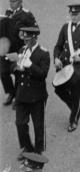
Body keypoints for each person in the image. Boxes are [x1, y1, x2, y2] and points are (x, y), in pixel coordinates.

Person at [53, 3, 80, 132]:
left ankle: (74, 120)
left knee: (77, 95)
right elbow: (58, 46)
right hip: (65, 66)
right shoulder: (65, 27)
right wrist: (56, 58)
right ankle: (75, 108)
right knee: (58, 88)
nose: (73, 17)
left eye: (76, 14)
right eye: (72, 14)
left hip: (78, 69)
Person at [12, 25, 49, 156]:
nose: (25, 42)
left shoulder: (43, 53)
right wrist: (16, 67)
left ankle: (38, 152)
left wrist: (30, 65)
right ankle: (27, 147)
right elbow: (14, 68)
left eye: (28, 39)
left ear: (34, 38)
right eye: (24, 39)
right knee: (20, 124)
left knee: (38, 125)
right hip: (22, 94)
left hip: (36, 96)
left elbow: (43, 74)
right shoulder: (22, 49)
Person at [1, 0, 37, 106]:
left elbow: (36, 31)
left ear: (20, 1)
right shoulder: (7, 13)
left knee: (18, 72)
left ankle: (18, 96)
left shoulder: (26, 15)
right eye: (10, 1)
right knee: (2, 71)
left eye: (14, 1)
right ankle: (11, 92)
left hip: (20, 49)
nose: (12, 3)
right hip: (8, 49)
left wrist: (26, 39)